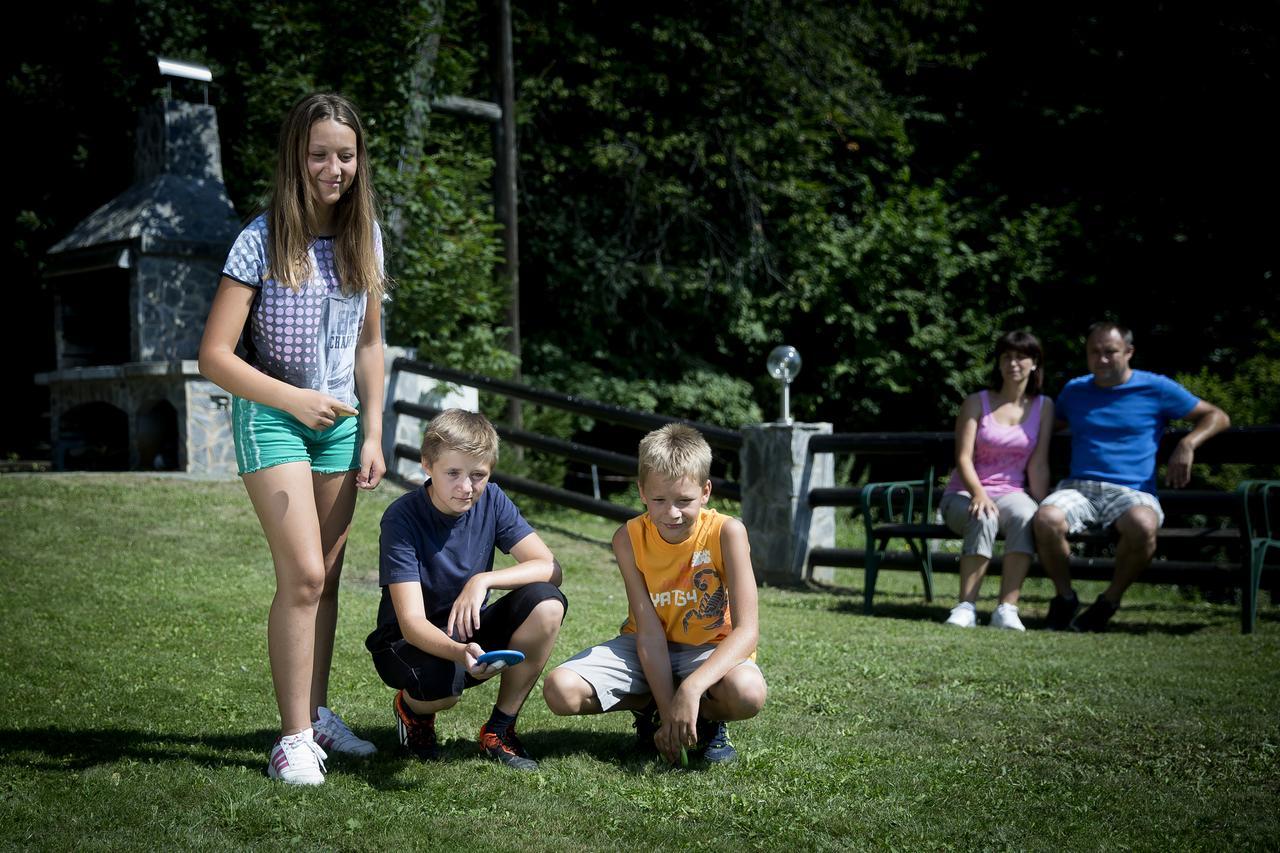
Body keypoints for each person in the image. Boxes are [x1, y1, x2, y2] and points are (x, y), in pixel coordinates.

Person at [198, 93, 387, 785]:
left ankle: (316, 710)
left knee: (328, 580)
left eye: (345, 154)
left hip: (338, 428)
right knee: (304, 574)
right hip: (272, 413)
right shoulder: (260, 237)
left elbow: (371, 345)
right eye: (318, 154)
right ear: (294, 158)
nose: (333, 167)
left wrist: (371, 431)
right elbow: (215, 355)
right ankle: (292, 739)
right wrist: (294, 400)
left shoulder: (365, 236)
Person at [542, 424, 766, 766]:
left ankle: (705, 719)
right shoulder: (627, 538)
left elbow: (747, 631)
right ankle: (657, 715)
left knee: (748, 692)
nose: (672, 513)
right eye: (659, 500)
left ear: (706, 492)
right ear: (642, 492)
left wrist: (691, 690)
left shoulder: (727, 532)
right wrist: (666, 708)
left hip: (709, 649)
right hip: (649, 646)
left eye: (684, 501)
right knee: (560, 690)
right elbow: (648, 630)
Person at [366, 409, 566, 771]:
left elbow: (550, 567)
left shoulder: (492, 499)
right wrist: (460, 654)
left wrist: (483, 580)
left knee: (547, 602)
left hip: (468, 631)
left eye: (478, 475)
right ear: (427, 465)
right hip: (405, 644)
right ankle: (414, 712)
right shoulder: (402, 517)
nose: (466, 487)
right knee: (445, 686)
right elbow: (411, 622)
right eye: (453, 473)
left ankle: (500, 731)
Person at [1034, 322, 1230, 631]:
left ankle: (1107, 602)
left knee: (1143, 524)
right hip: (1080, 487)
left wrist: (1188, 443)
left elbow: (1217, 416)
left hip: (1131, 490)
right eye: (1094, 352)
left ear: (1129, 352)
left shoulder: (1156, 388)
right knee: (1045, 518)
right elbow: (1046, 425)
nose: (1101, 359)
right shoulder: (1075, 390)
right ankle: (1065, 597)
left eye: (1110, 352)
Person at [939, 331, 1055, 631]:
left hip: (1012, 492)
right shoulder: (977, 402)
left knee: (1026, 515)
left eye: (1020, 357)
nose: (1013, 363)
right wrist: (978, 493)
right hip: (964, 492)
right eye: (1006, 357)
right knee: (984, 514)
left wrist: (1043, 508)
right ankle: (966, 606)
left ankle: (1006, 608)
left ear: (1034, 363)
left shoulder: (1044, 407)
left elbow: (1039, 463)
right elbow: (963, 458)